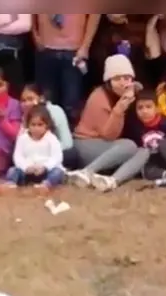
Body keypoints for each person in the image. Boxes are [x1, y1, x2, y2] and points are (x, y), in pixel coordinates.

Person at [68, 54, 144, 193]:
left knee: (144, 151)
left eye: (126, 78)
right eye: (116, 79)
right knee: (129, 145)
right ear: (108, 81)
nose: (122, 83)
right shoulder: (99, 97)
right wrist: (119, 109)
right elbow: (109, 135)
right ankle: (86, 172)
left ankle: (112, 181)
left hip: (108, 147)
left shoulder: (128, 94)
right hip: (86, 143)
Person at [32, 14, 101, 120]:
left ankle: (68, 134)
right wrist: (35, 35)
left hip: (74, 50)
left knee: (71, 104)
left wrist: (85, 46)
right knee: (46, 102)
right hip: (46, 49)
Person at [127, 89, 166, 181]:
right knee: (145, 168)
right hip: (154, 159)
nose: (144, 111)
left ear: (157, 108)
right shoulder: (136, 128)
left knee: (163, 143)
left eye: (148, 107)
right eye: (140, 108)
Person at [1, 105, 64, 191]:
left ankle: (46, 185)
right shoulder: (22, 138)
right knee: (12, 170)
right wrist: (26, 167)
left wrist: (45, 167)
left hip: (45, 171)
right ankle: (10, 183)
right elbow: (18, 156)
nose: (36, 128)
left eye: (40, 125)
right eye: (33, 125)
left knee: (57, 172)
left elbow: (57, 157)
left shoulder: (52, 139)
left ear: (47, 125)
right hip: (28, 171)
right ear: (28, 125)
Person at [19, 83, 74, 165]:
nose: (26, 104)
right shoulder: (25, 115)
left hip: (54, 153)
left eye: (30, 99)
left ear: (41, 99)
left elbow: (67, 143)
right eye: (23, 101)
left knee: (71, 154)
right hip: (32, 156)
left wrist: (45, 152)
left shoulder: (55, 111)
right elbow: (21, 145)